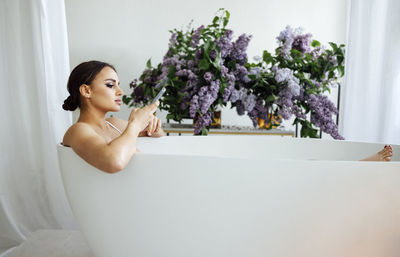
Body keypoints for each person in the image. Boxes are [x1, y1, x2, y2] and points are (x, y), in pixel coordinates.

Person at [62, 61, 164, 173]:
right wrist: (135, 124)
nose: (120, 92)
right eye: (110, 85)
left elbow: (159, 135)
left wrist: (151, 123)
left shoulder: (114, 124)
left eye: (118, 85)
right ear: (86, 91)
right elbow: (114, 162)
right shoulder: (77, 131)